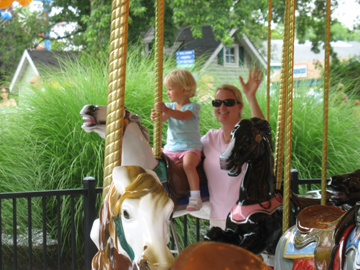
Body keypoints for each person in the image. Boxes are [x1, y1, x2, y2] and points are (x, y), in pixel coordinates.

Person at [201, 67, 265, 230]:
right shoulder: (210, 138)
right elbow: (185, 150)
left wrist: (251, 96)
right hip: (218, 217)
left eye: (228, 102)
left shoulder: (246, 137)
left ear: (239, 106)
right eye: (217, 103)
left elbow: (262, 131)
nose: (222, 107)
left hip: (247, 216)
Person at [151, 69, 203, 211]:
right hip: (171, 148)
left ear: (184, 90)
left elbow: (181, 116)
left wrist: (166, 110)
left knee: (188, 165)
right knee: (153, 159)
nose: (167, 92)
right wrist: (157, 116)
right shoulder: (169, 107)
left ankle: (195, 197)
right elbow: (163, 119)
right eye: (167, 89)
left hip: (189, 148)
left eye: (170, 89)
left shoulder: (193, 107)